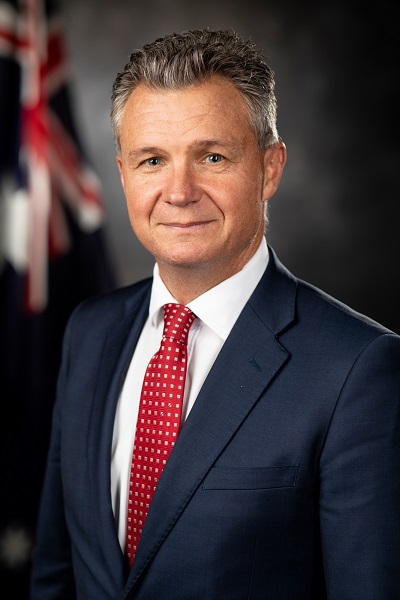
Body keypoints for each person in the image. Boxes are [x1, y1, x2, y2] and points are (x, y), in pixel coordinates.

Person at [30, 28, 400, 599]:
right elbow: (56, 572)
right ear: (123, 174)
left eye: (213, 156)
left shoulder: (357, 369)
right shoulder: (90, 330)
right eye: (153, 159)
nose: (179, 191)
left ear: (269, 169)